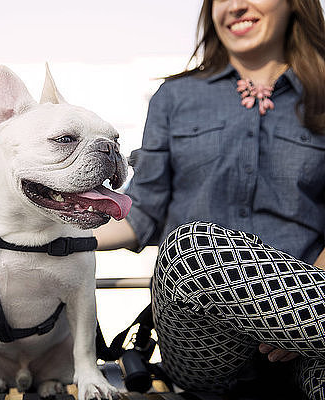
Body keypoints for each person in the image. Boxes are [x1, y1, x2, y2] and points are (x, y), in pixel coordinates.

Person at [95, 0, 325, 397]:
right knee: (189, 246)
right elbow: (141, 214)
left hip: (303, 335)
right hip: (200, 337)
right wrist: (51, 238)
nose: (235, 5)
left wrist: (294, 313)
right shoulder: (175, 97)